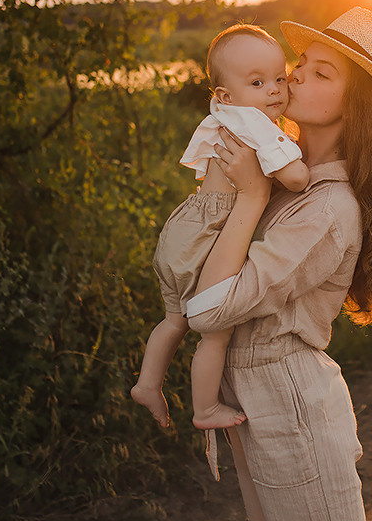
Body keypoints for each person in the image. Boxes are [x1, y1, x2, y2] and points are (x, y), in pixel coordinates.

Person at [184, 6, 372, 521]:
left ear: (357, 106)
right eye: (300, 65)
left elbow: (210, 310)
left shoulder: (329, 208)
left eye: (322, 74)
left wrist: (251, 197)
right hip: (257, 394)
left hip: (289, 398)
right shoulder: (287, 170)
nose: (293, 79)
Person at [131, 24, 310, 432]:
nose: (274, 90)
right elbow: (296, 178)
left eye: (280, 78)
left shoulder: (224, 114)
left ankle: (147, 382)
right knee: (215, 332)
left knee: (174, 320)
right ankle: (205, 409)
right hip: (211, 235)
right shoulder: (253, 122)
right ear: (226, 96)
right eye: (258, 82)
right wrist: (308, 166)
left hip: (183, 228)